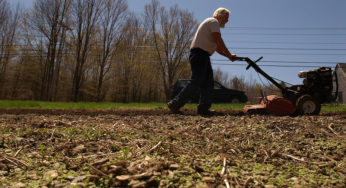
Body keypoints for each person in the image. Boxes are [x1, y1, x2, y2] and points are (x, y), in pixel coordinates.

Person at [167, 7, 237, 116]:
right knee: (196, 81)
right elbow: (218, 40)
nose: (227, 21)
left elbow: (217, 48)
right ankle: (175, 103)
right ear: (220, 15)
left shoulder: (212, 24)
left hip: (203, 55)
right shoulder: (213, 21)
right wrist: (229, 54)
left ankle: (203, 109)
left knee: (208, 83)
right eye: (226, 18)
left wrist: (228, 56)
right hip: (199, 54)